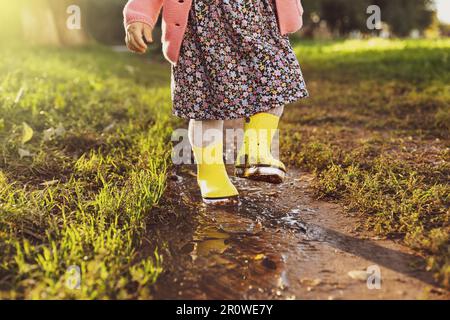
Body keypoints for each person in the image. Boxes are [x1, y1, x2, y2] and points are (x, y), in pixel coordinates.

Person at [124, 0, 308, 204]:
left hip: (259, 18)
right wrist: (139, 14)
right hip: (201, 24)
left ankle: (256, 151)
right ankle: (211, 174)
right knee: (205, 99)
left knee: (274, 78)